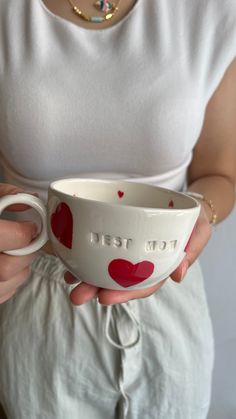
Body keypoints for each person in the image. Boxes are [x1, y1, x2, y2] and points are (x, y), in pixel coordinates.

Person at [0, 0, 235, 418]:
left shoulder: (213, 12)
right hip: (31, 298)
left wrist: (200, 213)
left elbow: (220, 172)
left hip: (171, 292)